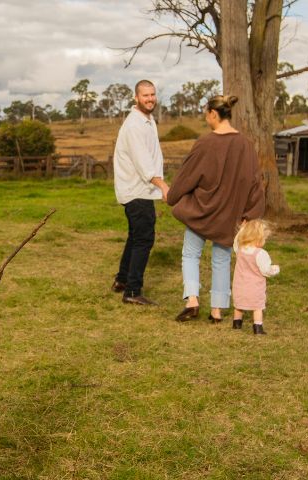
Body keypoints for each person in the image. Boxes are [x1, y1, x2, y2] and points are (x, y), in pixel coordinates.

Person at [166, 95, 265, 323]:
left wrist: (172, 196)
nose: (205, 117)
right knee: (221, 260)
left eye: (205, 113)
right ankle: (217, 310)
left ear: (213, 113)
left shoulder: (205, 142)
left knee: (191, 254)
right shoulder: (246, 145)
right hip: (229, 216)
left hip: (201, 211)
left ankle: (192, 300)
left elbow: (187, 175)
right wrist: (250, 216)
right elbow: (255, 183)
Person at [112, 79, 170, 306]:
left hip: (141, 189)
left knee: (135, 236)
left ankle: (122, 280)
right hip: (137, 190)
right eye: (145, 95)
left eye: (153, 94)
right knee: (144, 239)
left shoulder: (147, 119)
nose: (150, 99)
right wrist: (163, 185)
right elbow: (144, 162)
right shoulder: (135, 125)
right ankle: (133, 292)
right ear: (136, 98)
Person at [231, 219, 281, 335]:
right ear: (258, 238)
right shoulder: (260, 254)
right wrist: (275, 269)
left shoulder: (240, 249)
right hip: (255, 288)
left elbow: (236, 242)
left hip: (239, 286)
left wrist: (241, 229)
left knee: (238, 306)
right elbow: (266, 270)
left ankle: (237, 323)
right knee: (257, 307)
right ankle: (258, 327)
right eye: (264, 238)